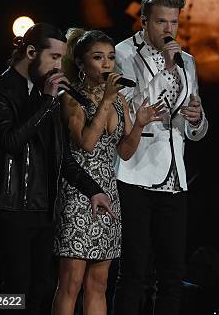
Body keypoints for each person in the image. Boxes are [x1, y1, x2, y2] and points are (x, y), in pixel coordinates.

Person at [0, 23, 114, 315]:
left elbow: (63, 158)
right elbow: (10, 142)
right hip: (11, 207)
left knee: (42, 287)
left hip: (45, 208)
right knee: (16, 288)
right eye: (54, 57)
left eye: (61, 58)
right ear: (31, 52)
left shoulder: (47, 94)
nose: (59, 65)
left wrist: (94, 191)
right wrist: (46, 100)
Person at [52, 29, 165, 315]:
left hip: (108, 193)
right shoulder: (71, 97)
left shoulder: (119, 101)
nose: (106, 64)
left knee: (99, 283)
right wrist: (105, 100)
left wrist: (139, 124)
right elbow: (87, 144)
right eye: (98, 57)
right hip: (78, 191)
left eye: (111, 58)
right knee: (71, 282)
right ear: (80, 63)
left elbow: (125, 152)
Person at [112, 0, 208, 315]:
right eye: (161, 22)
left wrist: (196, 120)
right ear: (144, 22)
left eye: (174, 22)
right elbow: (134, 109)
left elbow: (196, 126)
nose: (169, 30)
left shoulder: (188, 62)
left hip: (174, 176)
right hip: (135, 172)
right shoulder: (122, 54)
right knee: (134, 272)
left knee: (172, 274)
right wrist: (166, 69)